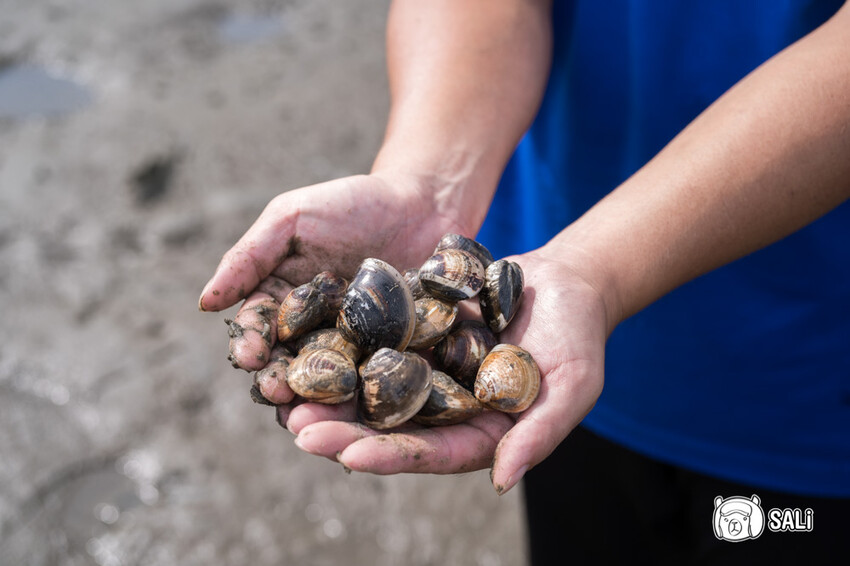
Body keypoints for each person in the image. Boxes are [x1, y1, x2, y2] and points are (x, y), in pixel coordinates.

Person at [199, 0, 850, 562]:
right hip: (563, 356)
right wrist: (430, 182)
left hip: (811, 400)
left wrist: (599, 271)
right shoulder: (519, 333)